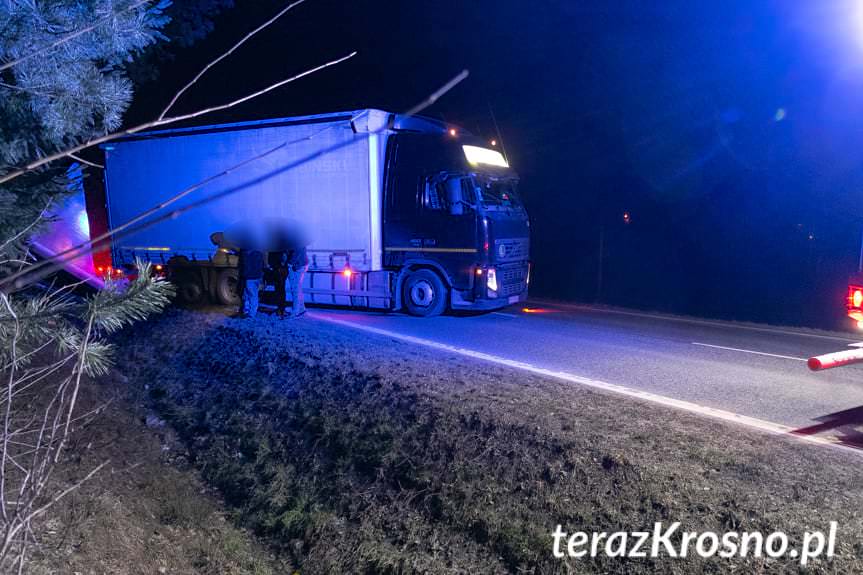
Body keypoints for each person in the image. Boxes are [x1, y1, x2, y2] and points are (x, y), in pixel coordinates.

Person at [237, 247, 264, 318]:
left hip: (250, 276)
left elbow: (244, 265)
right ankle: (249, 311)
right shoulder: (259, 250)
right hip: (257, 275)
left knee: (251, 295)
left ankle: (251, 313)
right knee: (251, 294)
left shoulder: (245, 251)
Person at [286, 242, 308, 318]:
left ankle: (296, 311)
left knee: (295, 289)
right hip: (301, 265)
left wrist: (289, 263)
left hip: (297, 266)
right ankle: (301, 308)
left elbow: (296, 253)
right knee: (298, 288)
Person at [268, 250, 289, 318]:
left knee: (279, 290)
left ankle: (280, 309)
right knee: (282, 290)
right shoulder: (283, 248)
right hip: (282, 270)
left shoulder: (274, 249)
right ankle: (282, 309)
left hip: (278, 271)